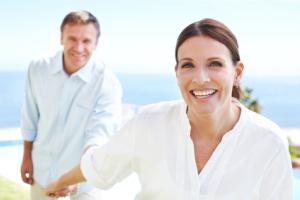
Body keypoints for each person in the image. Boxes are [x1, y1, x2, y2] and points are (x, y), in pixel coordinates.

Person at [45, 18, 293, 199]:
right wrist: (59, 182)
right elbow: (98, 163)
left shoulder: (268, 142)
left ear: (237, 73)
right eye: (188, 65)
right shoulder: (149, 123)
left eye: (215, 64)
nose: (201, 78)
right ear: (177, 73)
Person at [20, 10, 122, 200]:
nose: (78, 47)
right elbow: (30, 115)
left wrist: (79, 174)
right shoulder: (38, 68)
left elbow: (99, 136)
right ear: (61, 38)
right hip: (42, 172)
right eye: (72, 39)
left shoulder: (108, 83)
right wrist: (26, 156)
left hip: (85, 182)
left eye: (86, 41)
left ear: (96, 44)